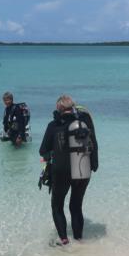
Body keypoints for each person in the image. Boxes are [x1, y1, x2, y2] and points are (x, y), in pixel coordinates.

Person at [39, 95, 98, 246]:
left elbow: (42, 150)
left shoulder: (54, 125)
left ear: (58, 108)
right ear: (73, 107)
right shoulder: (84, 122)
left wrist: (51, 154)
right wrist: (94, 164)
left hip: (61, 171)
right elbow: (94, 144)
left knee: (57, 205)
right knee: (76, 206)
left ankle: (64, 241)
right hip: (83, 170)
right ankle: (79, 239)